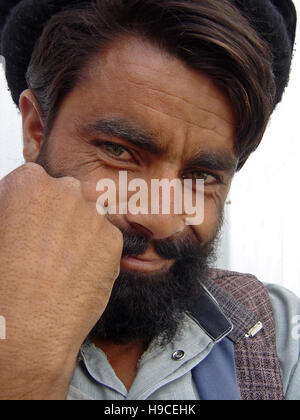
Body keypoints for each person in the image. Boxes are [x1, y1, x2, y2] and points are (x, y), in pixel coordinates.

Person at [0, 0, 299, 401]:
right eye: (119, 151)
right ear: (36, 131)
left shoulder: (277, 336)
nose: (159, 217)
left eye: (201, 176)